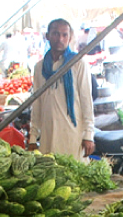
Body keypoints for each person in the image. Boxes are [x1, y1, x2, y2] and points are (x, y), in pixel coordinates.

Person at [28, 18, 95, 160]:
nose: (60, 39)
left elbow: (86, 101)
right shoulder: (39, 67)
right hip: (49, 134)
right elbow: (37, 103)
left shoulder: (78, 63)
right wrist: (33, 136)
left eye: (65, 35)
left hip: (72, 134)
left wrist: (88, 135)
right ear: (47, 36)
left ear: (70, 37)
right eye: (55, 34)